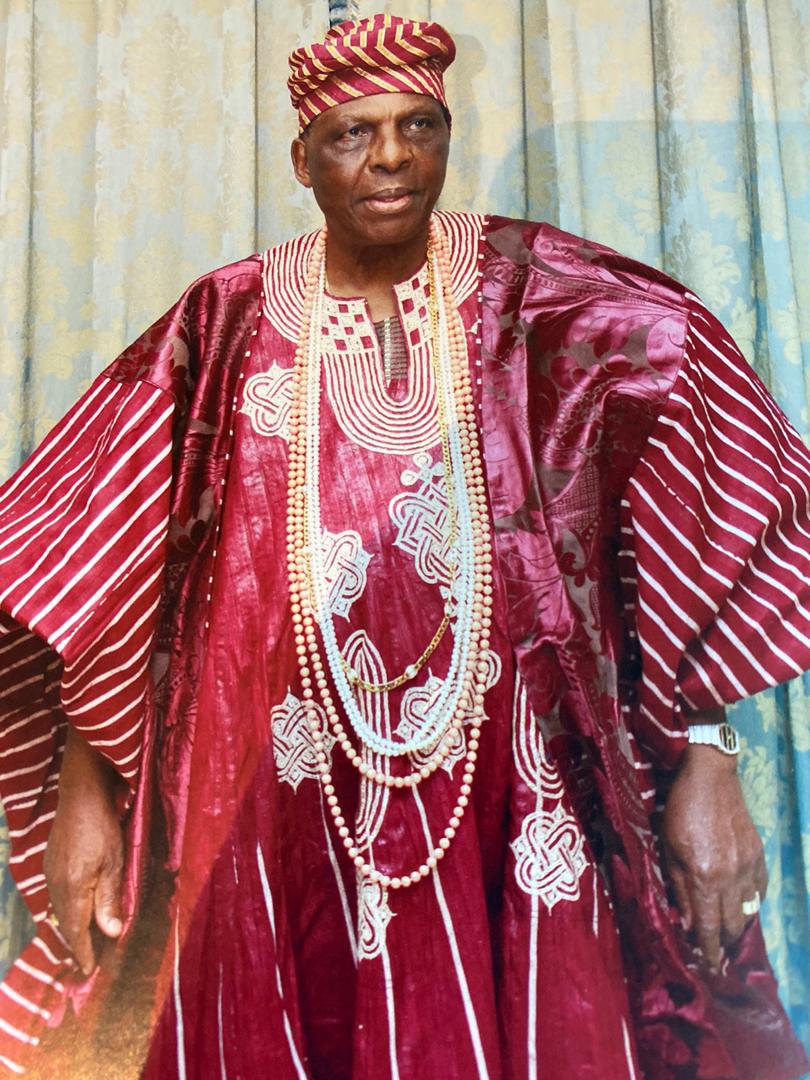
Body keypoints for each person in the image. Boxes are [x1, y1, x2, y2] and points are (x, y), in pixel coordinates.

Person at [0, 12, 807, 1079]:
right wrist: (84, 793)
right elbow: (98, 563)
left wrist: (707, 753)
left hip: (522, 815)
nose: (391, 156)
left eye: (419, 125)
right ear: (302, 159)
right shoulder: (224, 322)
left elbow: (696, 508)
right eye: (355, 133)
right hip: (276, 819)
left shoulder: (548, 299)